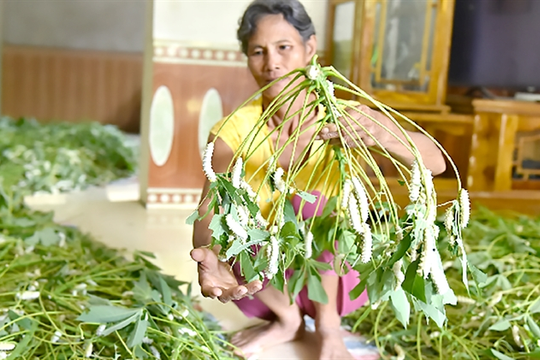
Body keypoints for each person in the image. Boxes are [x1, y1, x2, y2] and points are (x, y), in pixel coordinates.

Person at [190, 0, 446, 359]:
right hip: (263, 277)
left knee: (316, 208)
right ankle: (286, 319)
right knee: (235, 223)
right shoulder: (234, 132)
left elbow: (435, 163)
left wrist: (381, 135)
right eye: (257, 51)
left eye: (284, 48)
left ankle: (328, 326)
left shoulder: (342, 116)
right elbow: (208, 209)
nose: (271, 64)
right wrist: (211, 253)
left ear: (309, 50)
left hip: (333, 272)